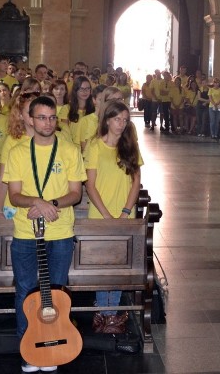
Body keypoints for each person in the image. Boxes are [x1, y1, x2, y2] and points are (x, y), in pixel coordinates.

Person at [5, 96, 85, 373]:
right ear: (29, 119)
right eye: (41, 117)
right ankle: (29, 351)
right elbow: (14, 196)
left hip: (61, 231)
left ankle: (54, 346)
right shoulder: (17, 152)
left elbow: (76, 194)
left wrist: (50, 204)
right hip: (26, 232)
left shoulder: (70, 150)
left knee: (57, 292)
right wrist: (37, 202)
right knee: (26, 292)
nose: (48, 123)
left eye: (52, 118)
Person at [84, 101, 142, 334]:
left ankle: (111, 312)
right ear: (107, 120)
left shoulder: (130, 147)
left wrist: (125, 212)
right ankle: (105, 312)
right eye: (117, 119)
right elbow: (90, 185)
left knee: (119, 265)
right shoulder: (95, 146)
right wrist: (107, 216)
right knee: (102, 264)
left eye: (125, 120)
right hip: (100, 213)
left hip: (125, 213)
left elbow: (136, 181)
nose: (121, 124)